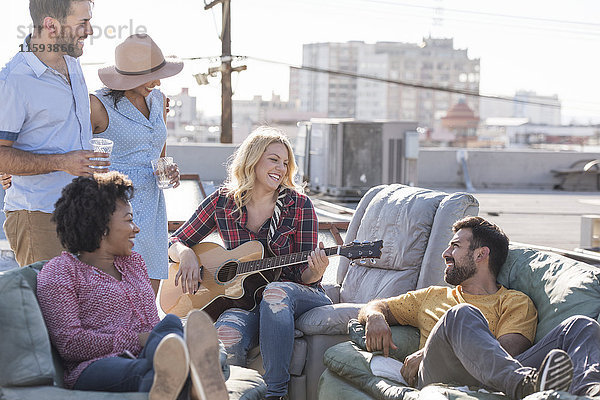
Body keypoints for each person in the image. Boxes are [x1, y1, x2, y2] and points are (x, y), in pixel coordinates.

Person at [168, 127, 332, 400]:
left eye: (285, 162)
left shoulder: (299, 205)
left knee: (275, 292)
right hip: (243, 302)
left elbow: (305, 275)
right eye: (274, 159)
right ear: (253, 160)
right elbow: (175, 240)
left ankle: (275, 394)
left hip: (296, 293)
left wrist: (316, 271)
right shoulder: (222, 202)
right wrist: (186, 254)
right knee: (226, 334)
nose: (281, 167)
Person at [359, 216, 600, 399]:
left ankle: (589, 392)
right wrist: (374, 316)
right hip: (440, 375)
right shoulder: (432, 296)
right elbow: (378, 306)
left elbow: (509, 353)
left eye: (455, 246)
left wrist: (435, 347)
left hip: (497, 373)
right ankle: (525, 385)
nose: (446, 253)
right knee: (461, 314)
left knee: (581, 325)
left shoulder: (515, 301)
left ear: (480, 254)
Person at [36, 171, 229, 400]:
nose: (136, 228)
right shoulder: (61, 271)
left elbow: (152, 328)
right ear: (100, 226)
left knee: (171, 323)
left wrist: (152, 342)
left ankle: (190, 370)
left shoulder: (134, 264)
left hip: (150, 355)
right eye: (129, 220)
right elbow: (70, 344)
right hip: (95, 367)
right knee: (154, 372)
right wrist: (137, 340)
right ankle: (195, 376)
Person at [0, 0, 109, 267]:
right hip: (39, 216)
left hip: (81, 211)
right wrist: (62, 162)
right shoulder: (14, 80)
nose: (90, 30)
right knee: (50, 308)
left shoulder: (72, 63)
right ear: (51, 25)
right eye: (82, 23)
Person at [90, 33, 182, 294]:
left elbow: (157, 148)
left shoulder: (158, 99)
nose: (157, 81)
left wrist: (167, 168)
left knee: (147, 299)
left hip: (153, 207)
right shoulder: (96, 105)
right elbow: (69, 147)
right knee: (116, 296)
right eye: (149, 76)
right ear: (127, 77)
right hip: (115, 207)